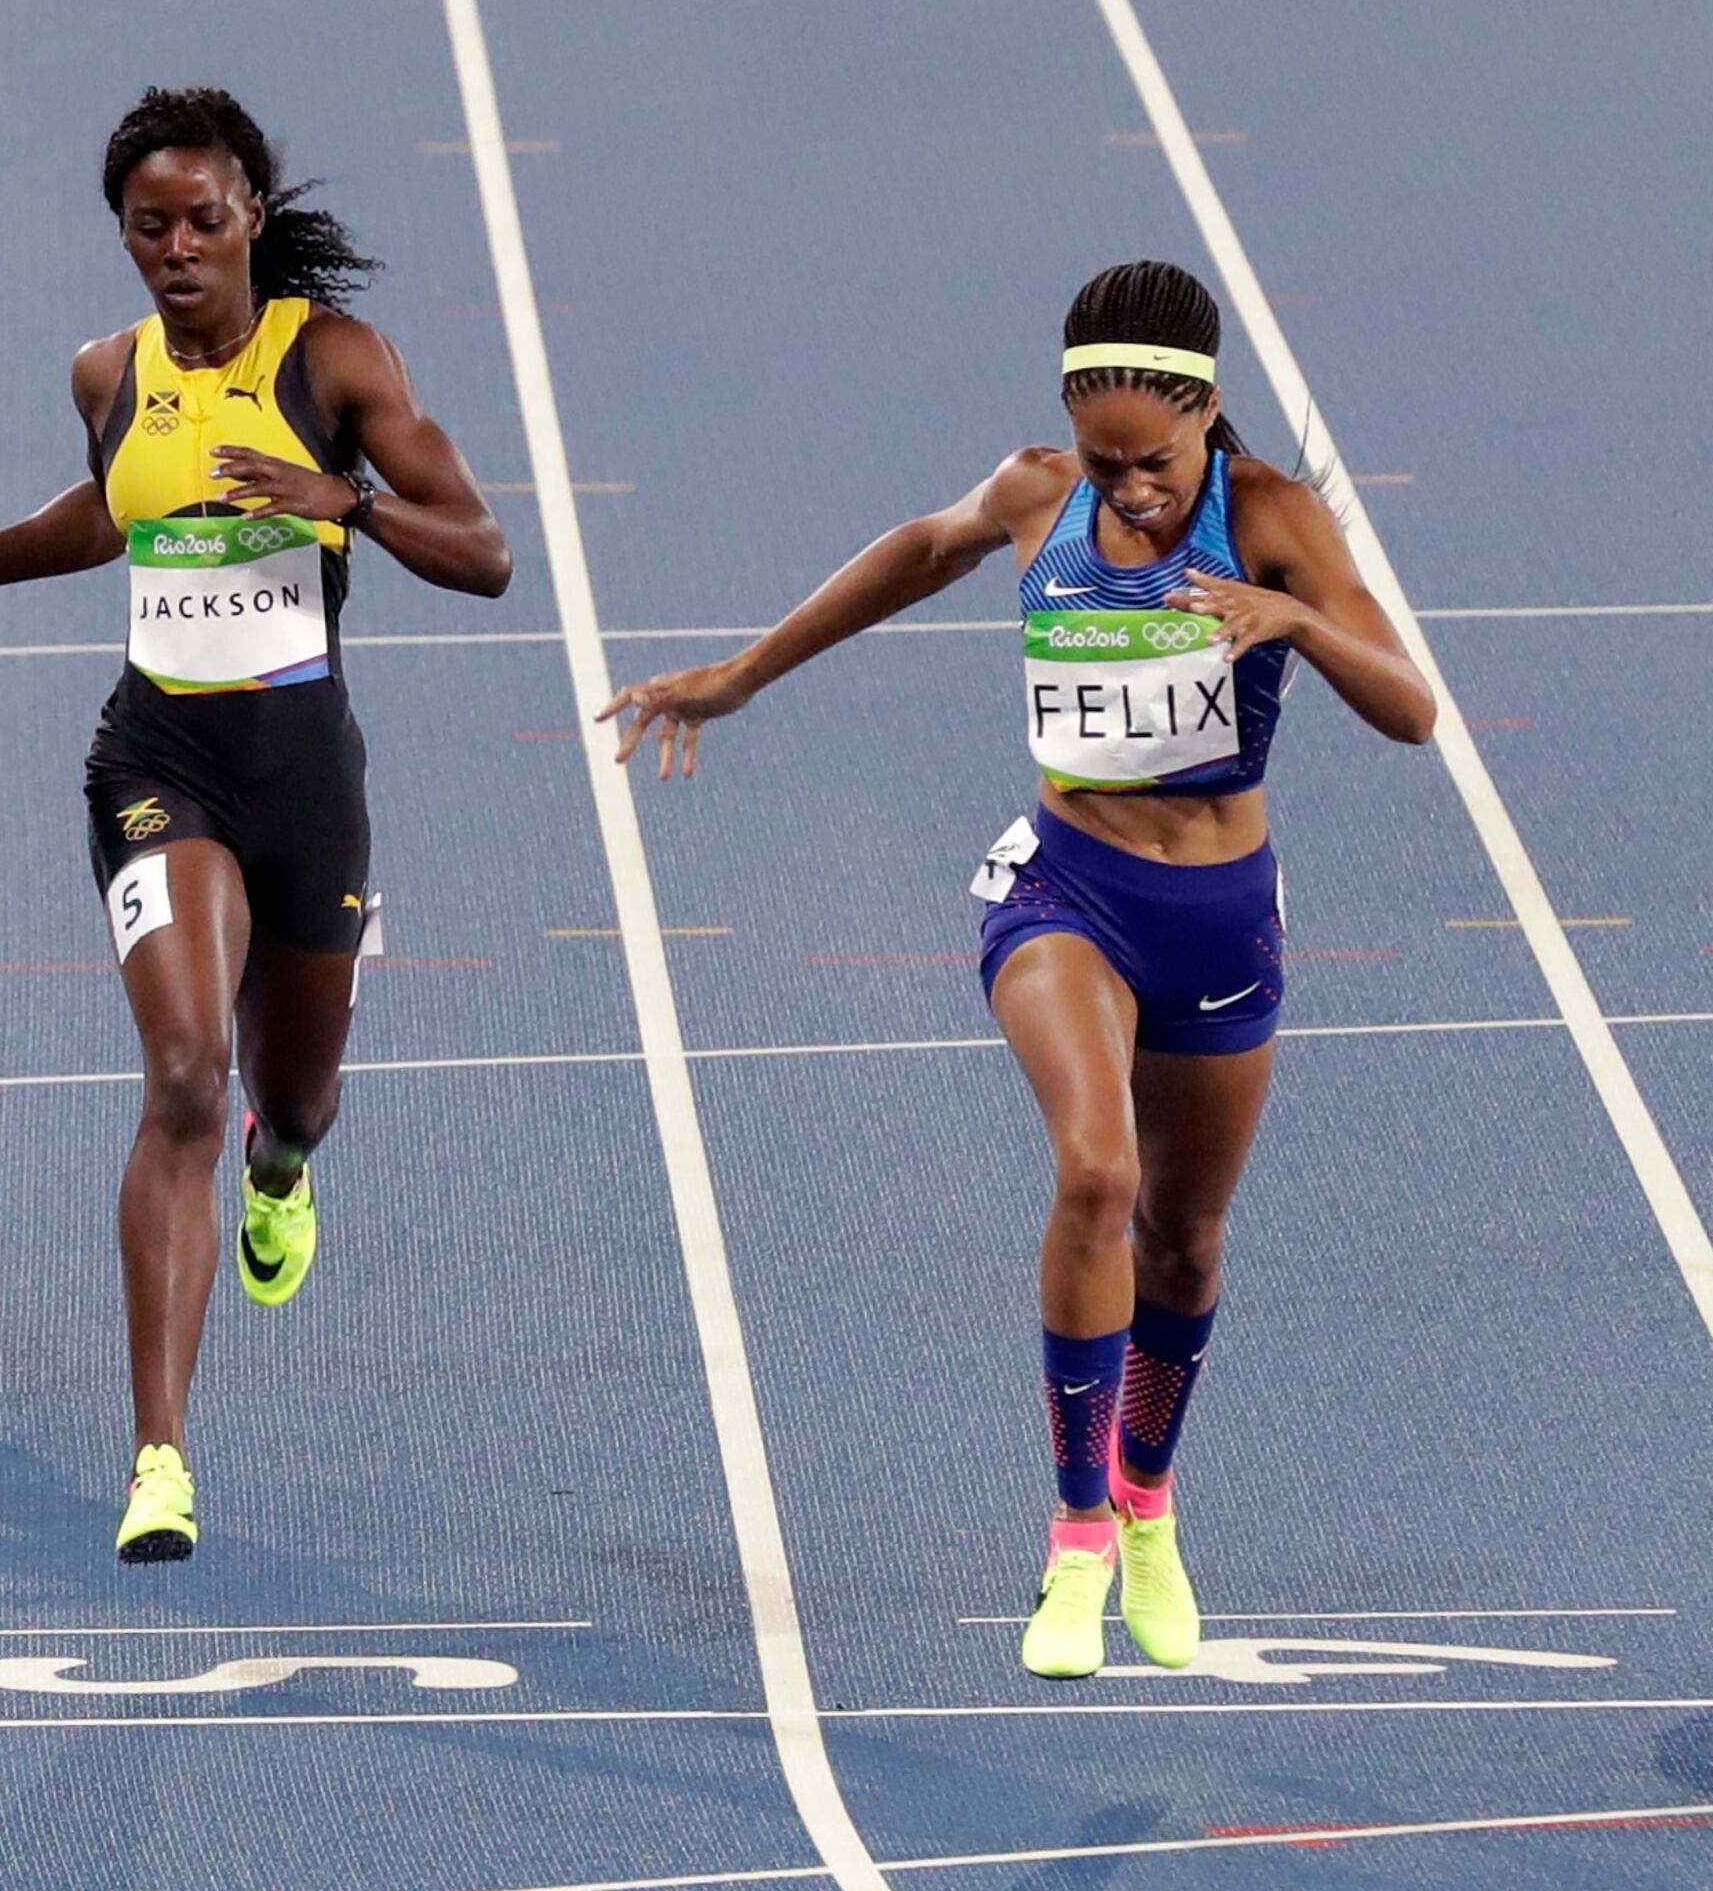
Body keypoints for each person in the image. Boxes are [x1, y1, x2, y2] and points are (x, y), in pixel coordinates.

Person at [599, 260, 1435, 1677]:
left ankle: (1150, 1499)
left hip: (1221, 915)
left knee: (1183, 1235)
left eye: (1158, 463)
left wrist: (1295, 620)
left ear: (1208, 415)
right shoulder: (1040, 493)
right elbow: (907, 557)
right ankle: (1074, 1538)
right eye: (1107, 461)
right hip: (1067, 890)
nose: (1135, 489)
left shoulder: (1273, 517)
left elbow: (1413, 709)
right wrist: (737, 676)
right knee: (1098, 1173)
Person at [0, 87, 511, 1562]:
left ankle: (280, 1168)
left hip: (306, 777)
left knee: (291, 1102)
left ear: (251, 214)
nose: (176, 246)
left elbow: (485, 553)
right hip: (157, 761)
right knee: (181, 1068)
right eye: (147, 224)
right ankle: (159, 1455)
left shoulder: (335, 362)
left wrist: (338, 500)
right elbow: (113, 514)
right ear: (124, 233)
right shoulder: (110, 370)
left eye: (202, 218)